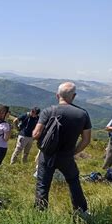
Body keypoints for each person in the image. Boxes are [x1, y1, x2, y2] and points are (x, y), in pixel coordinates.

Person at [32, 82, 91, 213]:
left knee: (43, 184)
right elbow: (86, 140)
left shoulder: (48, 111)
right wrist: (74, 151)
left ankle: (40, 213)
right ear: (74, 96)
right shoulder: (82, 114)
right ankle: (81, 211)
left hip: (47, 155)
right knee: (73, 182)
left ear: (57, 95)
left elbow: (36, 134)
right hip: (67, 156)